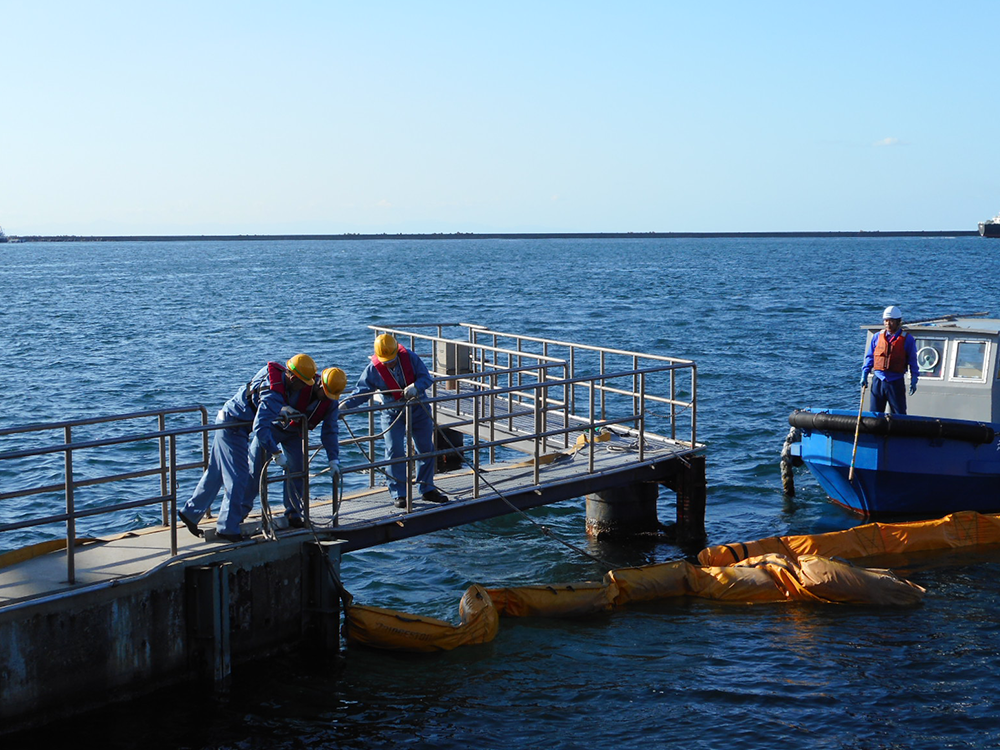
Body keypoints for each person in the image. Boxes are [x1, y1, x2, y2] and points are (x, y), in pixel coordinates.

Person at [178, 353, 320, 542]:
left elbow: (259, 401)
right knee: (239, 477)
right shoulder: (274, 395)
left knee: (216, 472)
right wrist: (276, 453)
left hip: (225, 418)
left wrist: (281, 409)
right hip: (233, 427)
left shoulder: (272, 375)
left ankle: (190, 512)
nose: (304, 387)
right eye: (302, 383)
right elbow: (260, 429)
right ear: (293, 378)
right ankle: (227, 528)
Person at [341, 334, 448, 508]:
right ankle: (399, 493)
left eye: (391, 360)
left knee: (425, 448)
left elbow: (426, 378)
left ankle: (427, 489)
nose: (388, 363)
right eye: (385, 361)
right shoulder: (373, 369)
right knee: (394, 450)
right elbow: (362, 391)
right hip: (391, 411)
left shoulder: (411, 358)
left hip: (417, 406)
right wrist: (345, 406)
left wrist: (416, 386)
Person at [271, 366, 347, 527]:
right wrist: (280, 409)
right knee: (254, 469)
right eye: (326, 394)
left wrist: (333, 459)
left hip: (294, 433)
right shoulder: (301, 383)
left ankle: (293, 513)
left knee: (298, 469)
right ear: (319, 385)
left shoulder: (331, 402)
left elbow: (330, 431)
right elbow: (275, 397)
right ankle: (240, 513)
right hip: (272, 429)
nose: (327, 398)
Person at [860, 305, 919, 415]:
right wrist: (865, 373)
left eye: (891, 321)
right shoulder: (877, 336)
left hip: (895, 381)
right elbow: (870, 357)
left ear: (898, 322)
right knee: (875, 414)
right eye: (886, 321)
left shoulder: (907, 339)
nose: (888, 324)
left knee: (899, 414)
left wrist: (914, 378)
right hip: (878, 380)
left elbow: (912, 361)